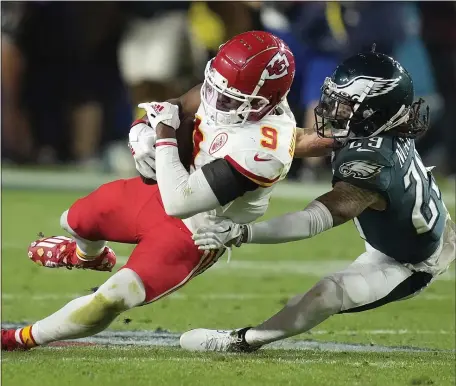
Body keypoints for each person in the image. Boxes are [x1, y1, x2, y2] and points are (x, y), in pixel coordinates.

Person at [1, 31, 333, 351]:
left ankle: (21, 338)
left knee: (116, 295)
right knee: (74, 220)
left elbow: (180, 202)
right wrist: (140, 130)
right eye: (217, 87)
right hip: (163, 189)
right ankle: (87, 256)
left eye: (230, 98)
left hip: (195, 229)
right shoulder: (230, 87)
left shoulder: (262, 151)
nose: (216, 101)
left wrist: (160, 135)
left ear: (265, 101)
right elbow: (174, 107)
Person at [179, 51, 456, 353]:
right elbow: (301, 143)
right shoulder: (383, 124)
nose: (331, 108)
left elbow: (315, 218)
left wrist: (244, 232)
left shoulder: (372, 163)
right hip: (418, 222)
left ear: (375, 111)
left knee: (326, 294)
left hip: (409, 261)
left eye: (346, 103)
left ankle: (242, 340)